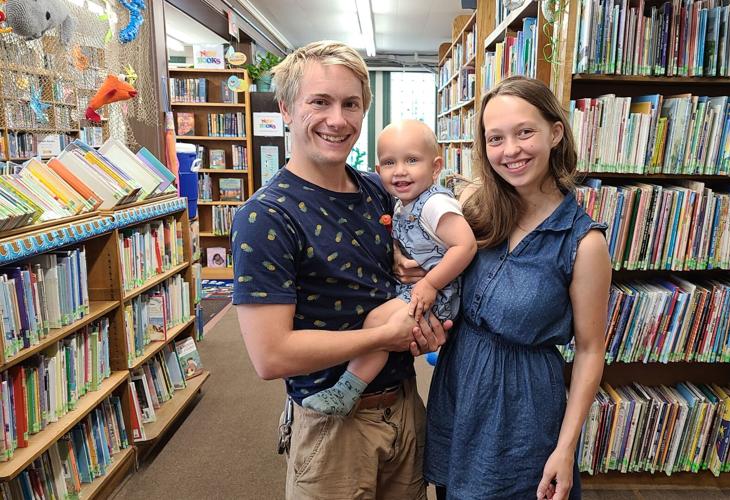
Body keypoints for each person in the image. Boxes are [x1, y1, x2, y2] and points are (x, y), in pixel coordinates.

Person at [231, 41, 449, 499]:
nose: (338, 119)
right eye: (320, 102)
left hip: (406, 407)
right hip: (333, 428)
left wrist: (418, 288)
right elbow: (270, 356)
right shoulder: (265, 216)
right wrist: (382, 338)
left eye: (351, 104)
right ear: (287, 109)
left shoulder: (379, 190)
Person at [423, 76, 611, 499]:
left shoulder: (583, 243)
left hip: (520, 409)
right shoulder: (475, 212)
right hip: (459, 387)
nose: (510, 151)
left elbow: (589, 349)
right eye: (495, 138)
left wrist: (566, 448)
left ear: (555, 132)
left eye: (525, 132)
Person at [302, 119, 477, 416]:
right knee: (377, 322)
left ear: (435, 168)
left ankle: (347, 390)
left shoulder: (434, 204)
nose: (400, 170)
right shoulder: (401, 203)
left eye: (412, 160)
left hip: (437, 296)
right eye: (389, 162)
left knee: (377, 324)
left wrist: (430, 284)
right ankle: (348, 388)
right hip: (416, 290)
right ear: (378, 170)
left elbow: (466, 246)